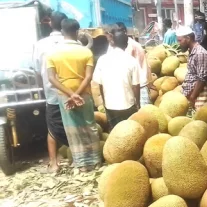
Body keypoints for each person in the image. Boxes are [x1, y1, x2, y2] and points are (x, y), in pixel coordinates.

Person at [46, 18, 102, 171]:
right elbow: (88, 76)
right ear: (76, 32)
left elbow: (51, 78)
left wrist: (70, 95)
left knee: (72, 129)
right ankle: (95, 161)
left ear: (62, 32)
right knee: (89, 126)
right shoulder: (86, 52)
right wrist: (77, 94)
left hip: (64, 95)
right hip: (83, 93)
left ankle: (81, 164)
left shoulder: (52, 53)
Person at [32, 11, 68, 173]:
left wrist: (43, 88)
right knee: (74, 125)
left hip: (51, 92)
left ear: (50, 24)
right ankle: (80, 159)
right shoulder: (71, 42)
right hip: (72, 92)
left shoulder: (40, 45)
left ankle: (54, 164)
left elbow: (37, 72)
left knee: (52, 128)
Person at [93, 29, 141, 130]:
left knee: (115, 133)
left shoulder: (102, 60)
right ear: (127, 44)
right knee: (130, 132)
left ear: (112, 42)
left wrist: (104, 102)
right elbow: (136, 85)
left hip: (110, 105)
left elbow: (100, 85)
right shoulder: (132, 61)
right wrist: (138, 104)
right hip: (128, 104)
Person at [177, 26, 207, 111]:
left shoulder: (200, 53)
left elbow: (202, 78)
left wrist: (193, 97)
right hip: (193, 94)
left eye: (180, 40)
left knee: (200, 121)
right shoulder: (192, 51)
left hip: (200, 95)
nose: (179, 43)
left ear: (188, 38)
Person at [117, 22, 152, 106]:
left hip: (138, 84)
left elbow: (125, 67)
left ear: (124, 32)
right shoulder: (130, 44)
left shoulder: (129, 46)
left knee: (142, 114)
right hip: (136, 84)